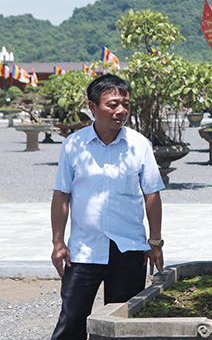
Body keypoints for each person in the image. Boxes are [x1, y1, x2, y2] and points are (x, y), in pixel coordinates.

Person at [50, 73, 165, 340]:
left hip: (129, 249)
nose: (121, 110)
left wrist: (155, 242)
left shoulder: (139, 145)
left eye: (125, 103)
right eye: (112, 104)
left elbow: (152, 194)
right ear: (92, 106)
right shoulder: (73, 145)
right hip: (84, 251)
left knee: (122, 325)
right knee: (71, 320)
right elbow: (61, 196)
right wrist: (58, 243)